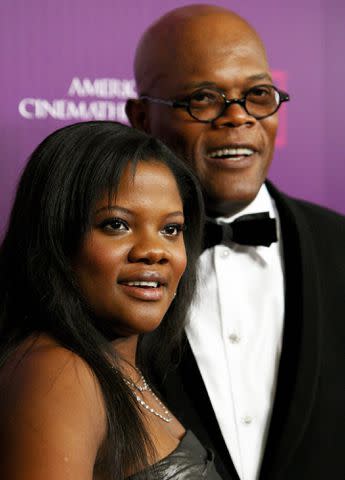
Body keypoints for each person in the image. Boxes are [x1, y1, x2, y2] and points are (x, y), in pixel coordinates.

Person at [125, 4, 345, 480]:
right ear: (141, 118)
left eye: (258, 94)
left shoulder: (341, 247)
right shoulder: (93, 266)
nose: (238, 118)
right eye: (204, 99)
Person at [0, 120, 224, 480]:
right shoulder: (57, 374)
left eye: (171, 229)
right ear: (56, 237)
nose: (155, 251)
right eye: (116, 224)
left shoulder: (121, 367)